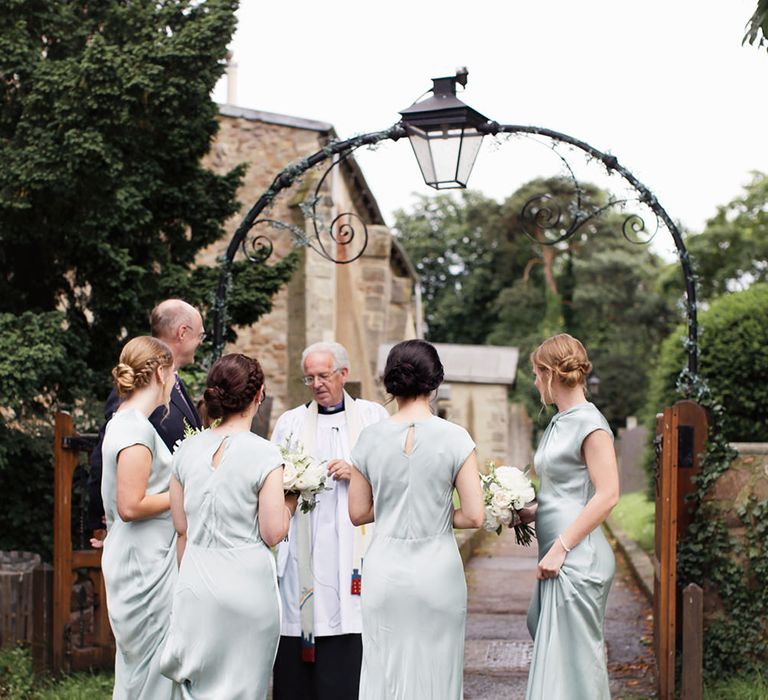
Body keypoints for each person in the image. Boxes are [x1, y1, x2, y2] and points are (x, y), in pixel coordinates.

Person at [347, 339, 483, 700]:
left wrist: (393, 504)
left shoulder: (369, 438)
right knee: (437, 674)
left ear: (391, 382)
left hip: (385, 573)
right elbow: (473, 514)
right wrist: (437, 510)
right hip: (437, 573)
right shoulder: (456, 438)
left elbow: (358, 512)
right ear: (435, 380)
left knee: (383, 670)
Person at [160, 353, 296, 698]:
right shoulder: (265, 455)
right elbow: (272, 532)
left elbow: (181, 527)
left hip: (196, 585)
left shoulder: (186, 452)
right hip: (246, 590)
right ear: (259, 394)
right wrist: (291, 503)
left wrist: (186, 582)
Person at [271, 341, 389, 700]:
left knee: (351, 622)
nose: (317, 384)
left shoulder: (372, 418)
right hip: (307, 542)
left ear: (343, 374)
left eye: (324, 375)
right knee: (304, 614)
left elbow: (393, 474)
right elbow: (274, 478)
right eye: (309, 378)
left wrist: (358, 473)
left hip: (356, 538)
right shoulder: (290, 422)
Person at [525, 333, 620, 700]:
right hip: (555, 551)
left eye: (536, 373)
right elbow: (563, 491)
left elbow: (608, 493)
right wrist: (530, 511)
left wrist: (562, 546)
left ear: (549, 374)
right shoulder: (558, 421)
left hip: (576, 557)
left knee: (577, 665)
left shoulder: (590, 424)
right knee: (542, 632)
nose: (534, 382)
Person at [100, 336, 178, 699]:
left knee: (148, 670)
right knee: (149, 671)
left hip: (147, 557)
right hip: (143, 564)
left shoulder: (130, 421)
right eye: (174, 373)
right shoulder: (134, 429)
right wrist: (183, 494)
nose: (175, 383)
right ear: (161, 373)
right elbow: (130, 506)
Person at [88, 299, 205, 538]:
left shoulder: (176, 386)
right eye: (200, 336)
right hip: (144, 534)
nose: (201, 343)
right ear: (183, 332)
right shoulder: (131, 413)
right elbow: (108, 461)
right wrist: (103, 519)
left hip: (168, 528)